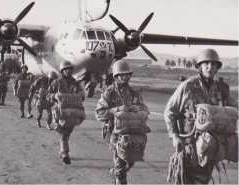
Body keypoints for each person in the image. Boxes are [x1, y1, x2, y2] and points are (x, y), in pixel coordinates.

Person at [164, 48, 237, 184]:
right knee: (185, 180)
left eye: (213, 64)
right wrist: (174, 136)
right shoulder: (187, 86)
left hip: (210, 147)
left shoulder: (221, 89)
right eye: (206, 63)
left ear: (217, 68)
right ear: (200, 66)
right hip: (188, 145)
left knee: (202, 180)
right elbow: (170, 112)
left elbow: (234, 108)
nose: (210, 67)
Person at [95, 60, 150, 185]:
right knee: (120, 165)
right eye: (122, 75)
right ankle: (118, 175)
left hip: (132, 132)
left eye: (127, 74)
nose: (126, 77)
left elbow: (144, 109)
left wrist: (139, 110)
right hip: (114, 133)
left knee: (130, 161)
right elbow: (99, 112)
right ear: (116, 76)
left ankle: (116, 173)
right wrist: (116, 110)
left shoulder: (133, 92)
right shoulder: (109, 92)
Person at [48, 61, 85, 164]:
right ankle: (65, 153)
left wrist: (80, 95)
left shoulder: (75, 82)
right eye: (66, 69)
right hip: (60, 112)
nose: (68, 71)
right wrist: (54, 96)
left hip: (72, 112)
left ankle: (62, 150)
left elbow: (82, 96)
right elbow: (49, 94)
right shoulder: (57, 82)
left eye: (70, 69)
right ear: (62, 71)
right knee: (63, 133)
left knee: (67, 133)